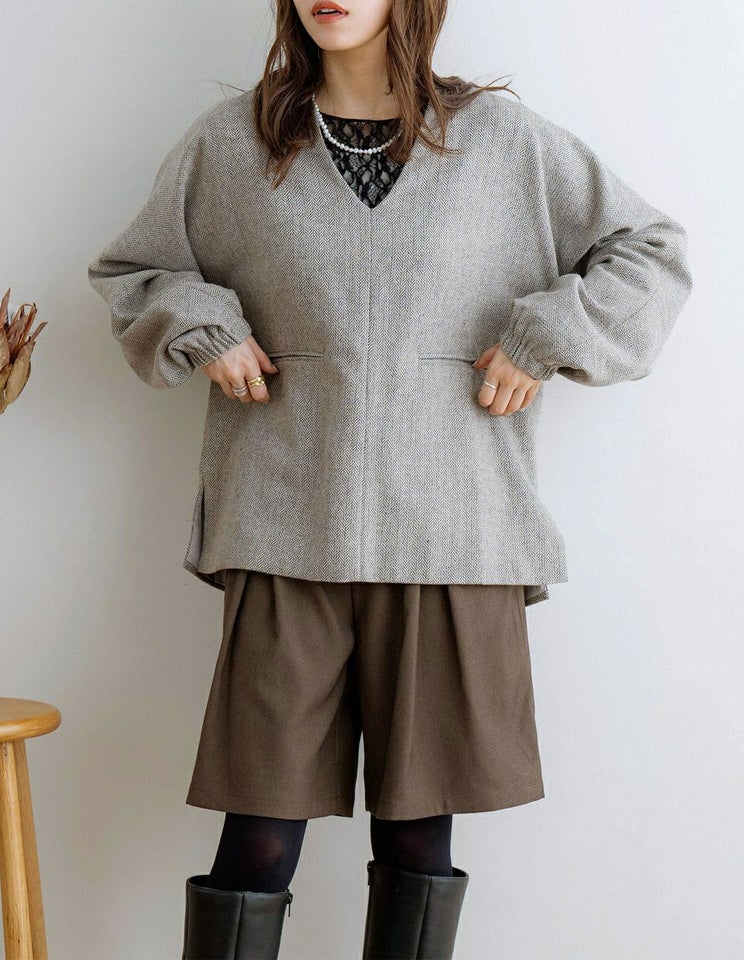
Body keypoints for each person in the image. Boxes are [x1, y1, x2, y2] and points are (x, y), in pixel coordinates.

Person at [87, 0, 693, 956]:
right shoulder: (235, 142)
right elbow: (135, 270)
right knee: (257, 839)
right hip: (287, 527)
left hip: (453, 532)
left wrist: (545, 337)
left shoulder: (504, 143)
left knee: (418, 841)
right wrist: (206, 326)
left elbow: (650, 251)